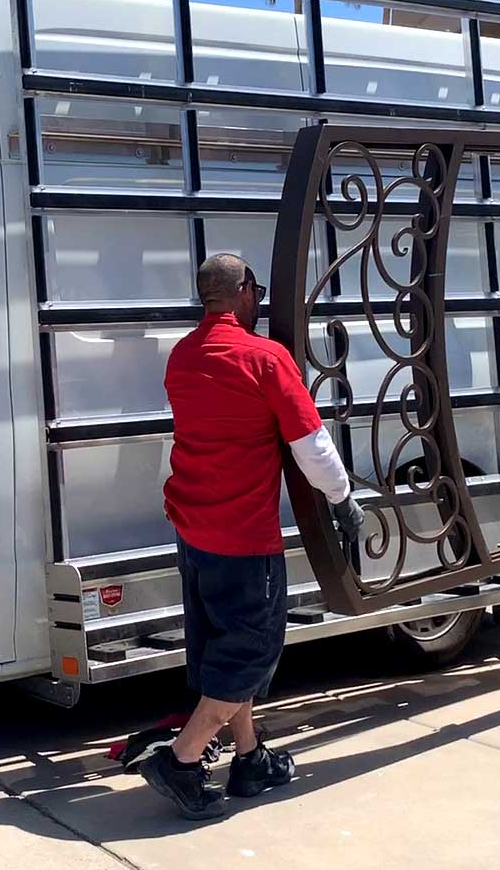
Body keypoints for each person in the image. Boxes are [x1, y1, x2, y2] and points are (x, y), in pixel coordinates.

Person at [140, 254, 364, 820]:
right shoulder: (266, 358)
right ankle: (182, 761)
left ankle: (251, 757)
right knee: (250, 653)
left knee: (222, 650)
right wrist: (343, 499)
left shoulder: (183, 357)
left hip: (193, 531)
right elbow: (310, 445)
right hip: (243, 537)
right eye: (256, 290)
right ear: (244, 293)